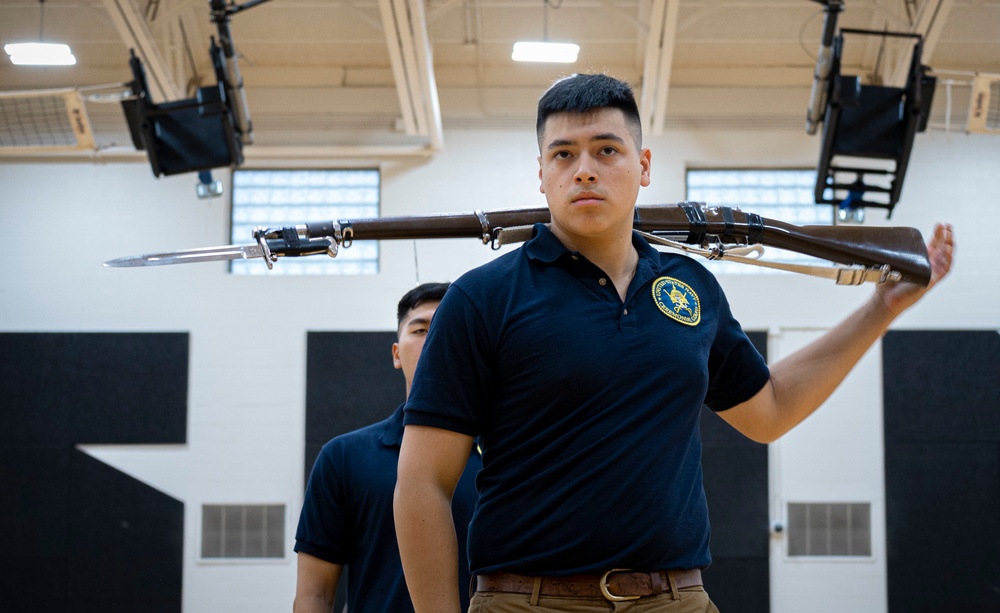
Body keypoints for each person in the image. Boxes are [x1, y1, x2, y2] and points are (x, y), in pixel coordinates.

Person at [393, 73, 955, 612]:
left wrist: (880, 310)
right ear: (541, 173)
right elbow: (422, 482)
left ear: (643, 166)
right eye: (563, 154)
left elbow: (772, 410)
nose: (584, 170)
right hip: (526, 602)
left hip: (676, 599)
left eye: (606, 150)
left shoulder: (690, 287)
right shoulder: (481, 297)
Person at [293, 282, 481, 612]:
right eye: (420, 329)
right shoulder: (343, 457)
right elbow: (314, 594)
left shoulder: (509, 455)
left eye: (445, 327)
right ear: (396, 354)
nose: (434, 339)